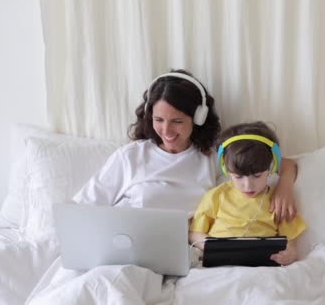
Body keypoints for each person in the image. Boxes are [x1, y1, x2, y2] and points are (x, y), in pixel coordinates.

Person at [72, 69, 298, 221]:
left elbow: (284, 162)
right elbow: (84, 208)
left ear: (198, 118)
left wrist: (284, 188)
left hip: (188, 251)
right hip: (128, 251)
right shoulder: (130, 156)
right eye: (158, 120)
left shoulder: (212, 157)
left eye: (177, 121)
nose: (166, 131)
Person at [189, 121, 306, 266]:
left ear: (271, 167)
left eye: (257, 176)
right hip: (222, 264)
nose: (247, 185)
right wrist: (215, 247)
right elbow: (194, 234)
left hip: (262, 267)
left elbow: (291, 242)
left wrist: (290, 253)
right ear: (226, 170)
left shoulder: (276, 201)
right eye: (238, 177)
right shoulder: (216, 196)